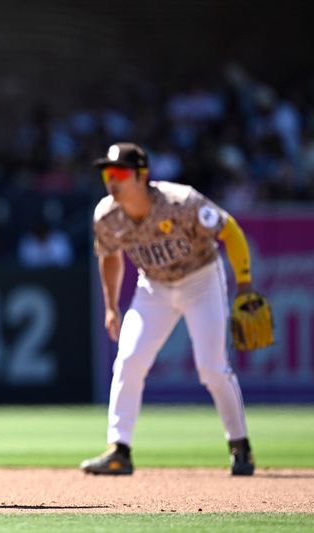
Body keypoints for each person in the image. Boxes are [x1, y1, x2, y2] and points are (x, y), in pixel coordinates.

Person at [80, 142, 256, 476]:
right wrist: (111, 306)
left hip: (201, 281)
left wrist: (244, 283)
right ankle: (119, 449)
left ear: (141, 175)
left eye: (119, 173)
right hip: (154, 288)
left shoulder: (180, 201)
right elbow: (109, 256)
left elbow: (229, 229)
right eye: (107, 173)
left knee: (212, 367)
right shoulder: (107, 215)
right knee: (129, 360)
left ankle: (240, 445)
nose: (111, 180)